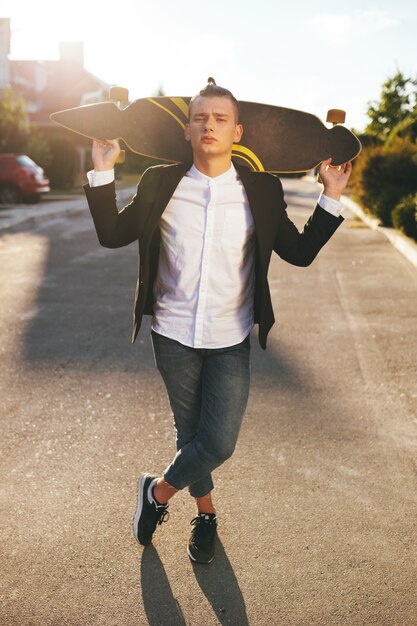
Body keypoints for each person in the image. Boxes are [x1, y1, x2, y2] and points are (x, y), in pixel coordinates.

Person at [84, 78, 352, 564]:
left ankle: (157, 493)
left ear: (237, 131)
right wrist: (102, 171)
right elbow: (111, 234)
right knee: (191, 436)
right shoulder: (159, 183)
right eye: (200, 117)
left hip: (230, 338)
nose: (209, 125)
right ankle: (206, 517)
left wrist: (330, 196)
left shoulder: (263, 190)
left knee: (219, 441)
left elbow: (299, 252)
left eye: (220, 119)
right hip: (172, 334)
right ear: (186, 130)